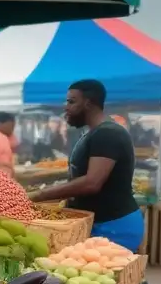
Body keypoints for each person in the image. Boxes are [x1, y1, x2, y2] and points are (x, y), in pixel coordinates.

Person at [31, 80, 143, 251]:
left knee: (110, 275)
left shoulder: (108, 133)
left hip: (113, 225)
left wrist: (37, 195)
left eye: (71, 101)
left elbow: (92, 183)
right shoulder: (92, 133)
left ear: (88, 103)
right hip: (97, 223)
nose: (65, 107)